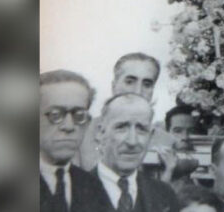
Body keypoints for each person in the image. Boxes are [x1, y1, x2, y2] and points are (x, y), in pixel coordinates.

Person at [80, 93, 180, 212]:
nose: (132, 141)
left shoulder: (164, 195)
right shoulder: (75, 192)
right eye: (121, 127)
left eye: (141, 129)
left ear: (150, 136)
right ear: (101, 133)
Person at [79, 52, 162, 169]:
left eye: (147, 84)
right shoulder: (83, 133)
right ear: (114, 86)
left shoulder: (165, 140)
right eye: (130, 82)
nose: (138, 91)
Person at [40, 70, 99, 212]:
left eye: (79, 115)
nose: (69, 126)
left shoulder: (95, 186)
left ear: (87, 123)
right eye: (55, 115)